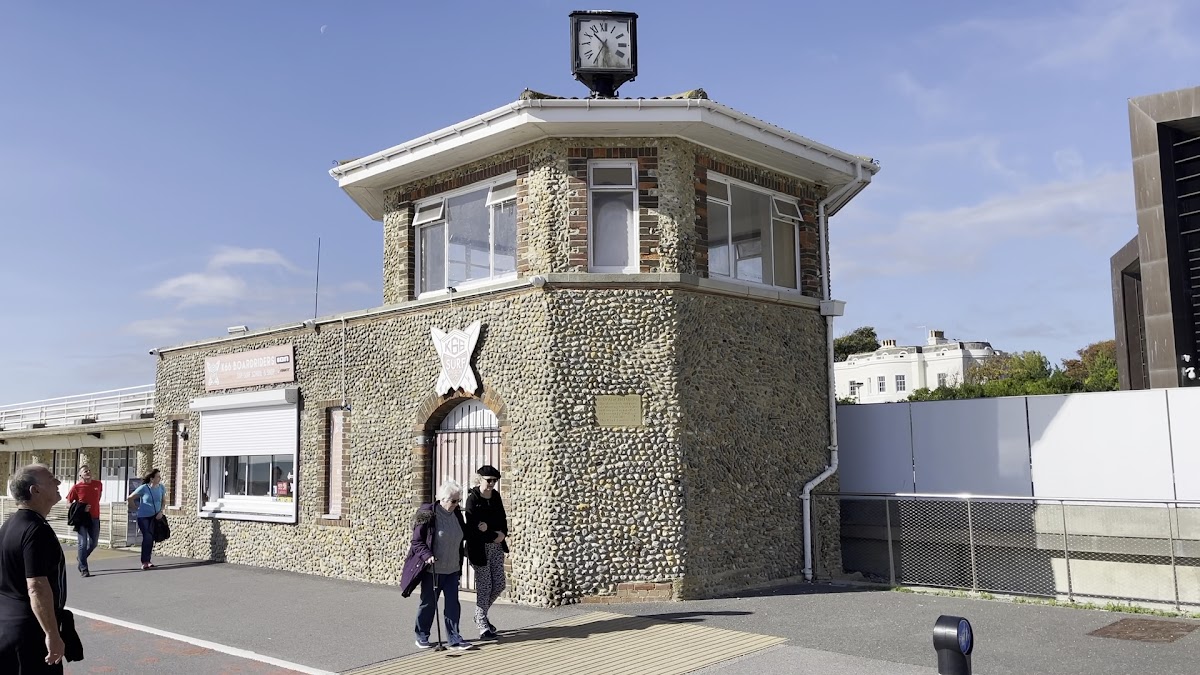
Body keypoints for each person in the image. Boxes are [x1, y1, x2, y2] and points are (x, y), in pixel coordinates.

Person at [0, 464, 68, 672]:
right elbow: (36, 586)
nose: (58, 482)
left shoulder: (9, 525)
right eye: (51, 479)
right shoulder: (36, 530)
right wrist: (52, 634)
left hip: (7, 627)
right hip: (30, 633)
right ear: (35, 490)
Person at [399, 479, 473, 650]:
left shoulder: (456, 514)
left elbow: (462, 534)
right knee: (428, 604)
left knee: (453, 605)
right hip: (433, 569)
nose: (457, 504)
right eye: (454, 501)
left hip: (452, 568)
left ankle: (454, 639)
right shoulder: (427, 515)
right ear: (442, 499)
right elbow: (417, 542)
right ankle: (422, 635)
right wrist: (427, 556)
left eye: (458, 501)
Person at [464, 464, 508, 640]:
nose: (491, 484)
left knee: (499, 584)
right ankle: (482, 626)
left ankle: (479, 615)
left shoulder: (495, 497)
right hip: (479, 549)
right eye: (489, 480)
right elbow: (474, 528)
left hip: (496, 546)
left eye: (494, 481)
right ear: (479, 479)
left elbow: (502, 519)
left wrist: (502, 534)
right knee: (485, 586)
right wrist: (493, 533)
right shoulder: (472, 499)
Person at [65, 466, 102, 578]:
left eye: (89, 470)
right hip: (82, 519)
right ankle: (84, 569)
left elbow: (98, 498)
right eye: (85, 471)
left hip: (95, 517)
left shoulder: (98, 484)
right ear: (80, 475)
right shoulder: (76, 487)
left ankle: (81, 558)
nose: (88, 472)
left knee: (93, 543)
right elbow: (68, 504)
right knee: (82, 543)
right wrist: (81, 508)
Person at [126, 469, 166, 571]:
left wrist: (161, 512)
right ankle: (144, 562)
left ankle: (148, 560)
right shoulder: (144, 488)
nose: (160, 478)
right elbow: (130, 498)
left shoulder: (161, 488)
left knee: (151, 537)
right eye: (158, 476)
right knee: (147, 536)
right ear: (152, 479)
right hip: (144, 517)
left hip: (155, 517)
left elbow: (163, 501)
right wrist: (135, 507)